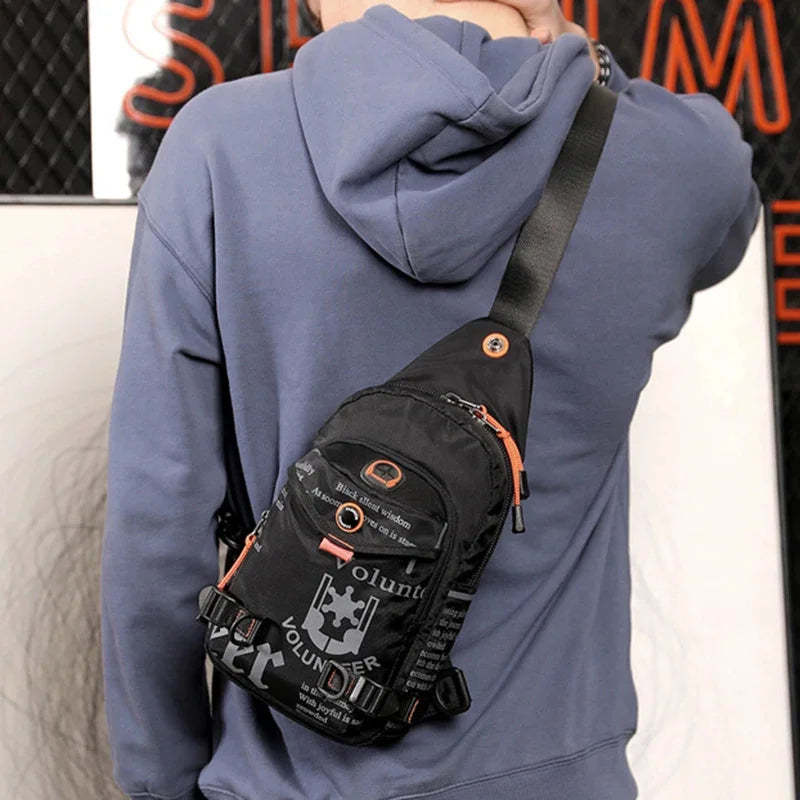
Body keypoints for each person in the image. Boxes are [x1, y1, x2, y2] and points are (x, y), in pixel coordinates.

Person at [100, 0, 761, 798]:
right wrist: (579, 59)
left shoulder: (220, 147)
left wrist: (161, 785)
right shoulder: (670, 160)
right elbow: (730, 195)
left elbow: (156, 529)